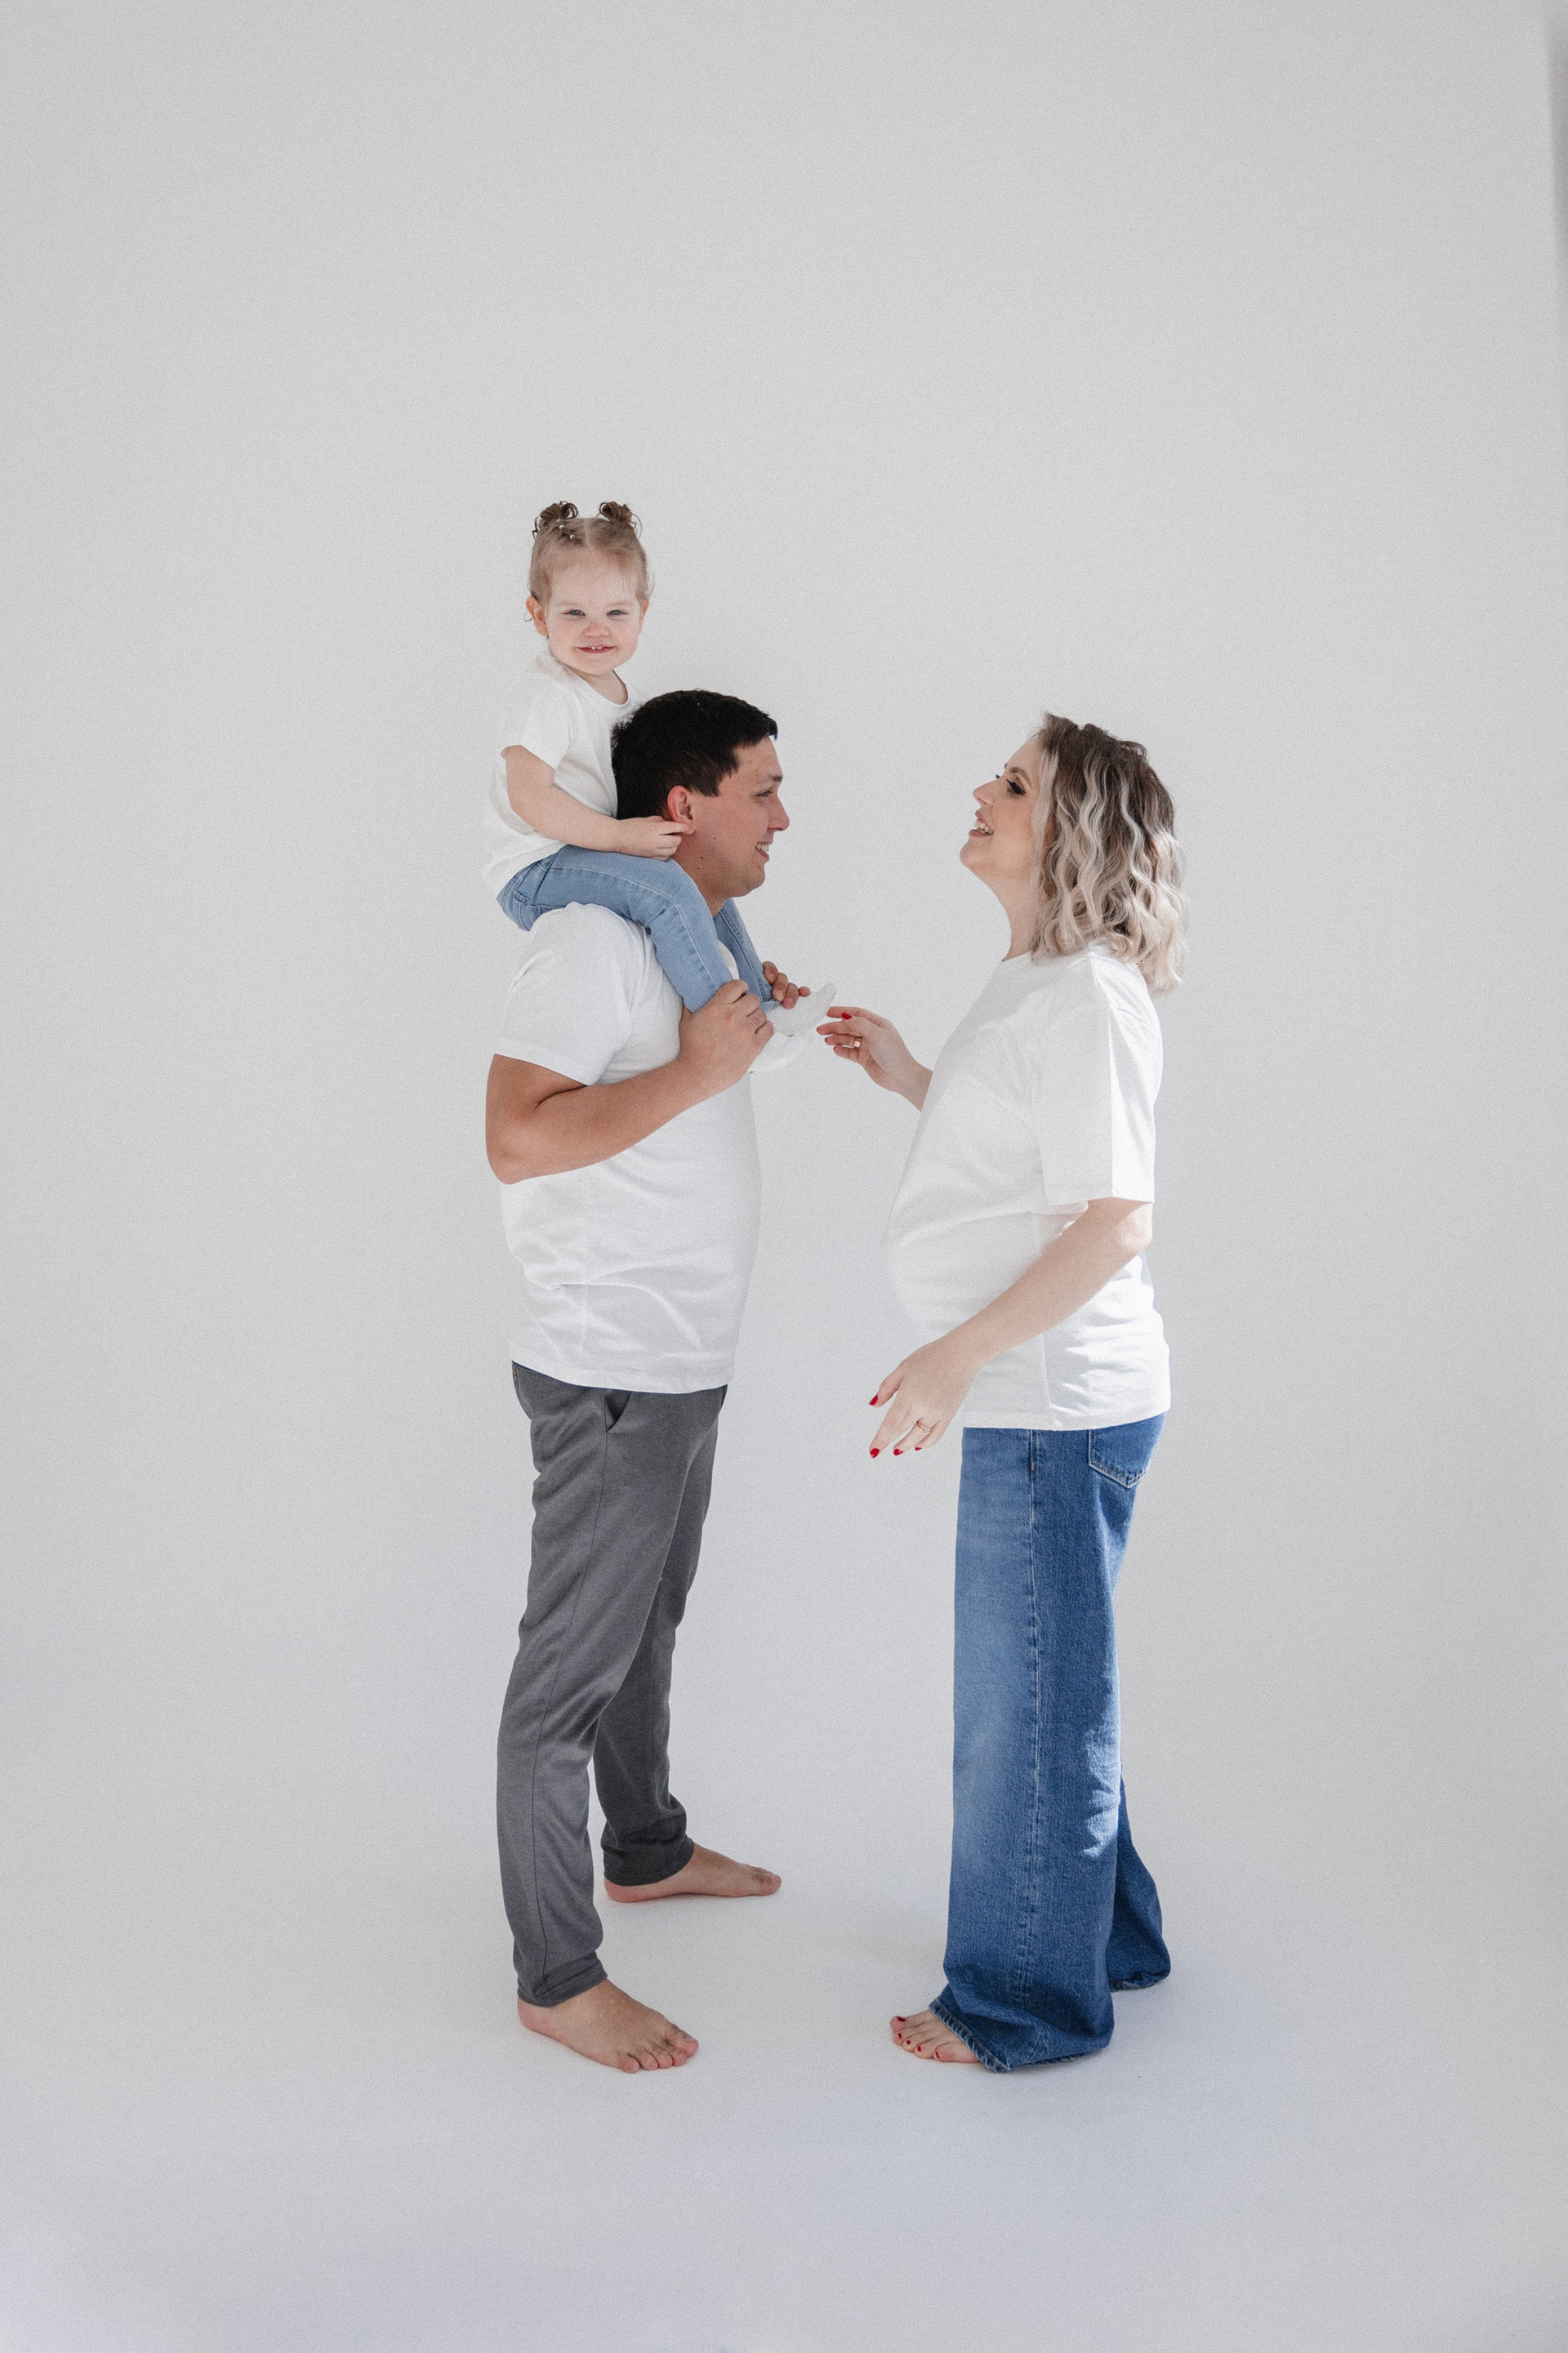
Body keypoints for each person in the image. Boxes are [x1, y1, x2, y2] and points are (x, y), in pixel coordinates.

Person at [819, 713, 1187, 2073]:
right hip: (1042, 1398)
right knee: (1050, 1685)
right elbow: (1015, 1163)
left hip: (1050, 1401)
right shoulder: (1037, 979)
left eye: (1017, 784)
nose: (983, 789)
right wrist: (912, 1075)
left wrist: (956, 1353)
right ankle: (1110, 1936)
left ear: (1073, 830)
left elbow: (1115, 1221)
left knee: (1026, 1710)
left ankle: (1029, 2000)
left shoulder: (1087, 993)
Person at [486, 690, 807, 2075]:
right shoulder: (590, 938)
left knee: (646, 1630)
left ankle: (648, 1849)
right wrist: (698, 1071)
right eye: (763, 790)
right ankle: (557, 1978)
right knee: (565, 1682)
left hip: (678, 1364)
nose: (784, 817)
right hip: (609, 1368)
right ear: (685, 805)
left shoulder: (682, 946)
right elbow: (516, 1135)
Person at [483, 501, 821, 1030]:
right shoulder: (546, 694)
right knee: (668, 891)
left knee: (702, 886)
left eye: (616, 613)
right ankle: (730, 1026)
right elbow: (529, 798)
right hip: (535, 869)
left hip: (584, 852)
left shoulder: (629, 699)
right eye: (574, 613)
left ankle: (763, 1007)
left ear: (642, 611)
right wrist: (622, 837)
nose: (596, 630)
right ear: (539, 614)